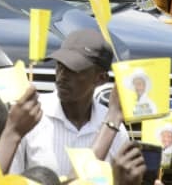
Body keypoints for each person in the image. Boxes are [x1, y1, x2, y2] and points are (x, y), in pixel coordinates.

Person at [9, 29, 129, 177]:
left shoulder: (116, 131)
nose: (62, 76)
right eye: (60, 65)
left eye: (74, 69)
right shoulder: (29, 117)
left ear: (100, 79)